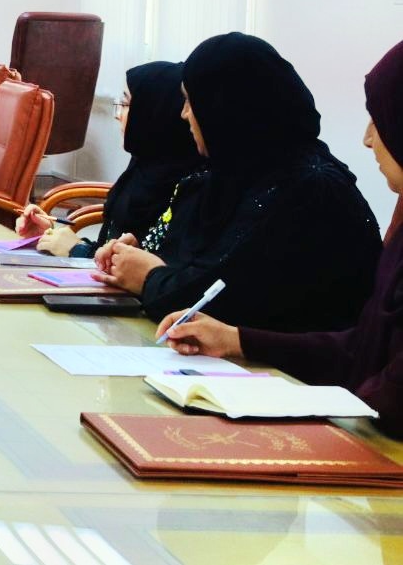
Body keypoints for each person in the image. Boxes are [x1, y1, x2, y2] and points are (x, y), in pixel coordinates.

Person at [161, 38, 403, 435]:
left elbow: (391, 398)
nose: (367, 139)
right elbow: (363, 347)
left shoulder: (311, 188)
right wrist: (237, 341)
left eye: (380, 119)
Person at [93, 33, 380, 329]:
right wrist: (140, 256)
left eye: (191, 101)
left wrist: (149, 278)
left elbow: (221, 302)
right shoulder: (231, 174)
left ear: (226, 106)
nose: (184, 114)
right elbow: (196, 266)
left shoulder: (310, 190)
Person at [17, 61, 203, 257]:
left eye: (126, 104)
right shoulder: (143, 168)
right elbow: (106, 249)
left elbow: (146, 268)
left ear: (155, 112)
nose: (118, 115)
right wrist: (49, 235)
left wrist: (77, 249)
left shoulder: (192, 191)